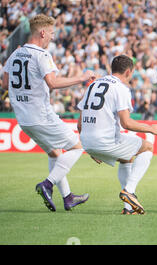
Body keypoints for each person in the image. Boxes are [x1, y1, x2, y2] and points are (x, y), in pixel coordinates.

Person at [1, 14, 96, 212]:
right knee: (77, 147)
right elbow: (52, 83)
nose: (52, 37)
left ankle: (68, 197)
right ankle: (47, 184)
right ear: (43, 32)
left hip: (24, 119)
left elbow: (4, 83)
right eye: (51, 33)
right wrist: (82, 78)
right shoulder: (42, 55)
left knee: (54, 153)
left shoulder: (15, 54)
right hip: (41, 115)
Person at [76, 55, 157, 215]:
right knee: (147, 147)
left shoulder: (93, 85)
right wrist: (151, 129)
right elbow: (126, 123)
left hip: (87, 141)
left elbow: (79, 124)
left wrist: (90, 148)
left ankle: (128, 209)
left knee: (126, 157)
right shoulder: (121, 88)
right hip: (104, 140)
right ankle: (129, 191)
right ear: (128, 72)